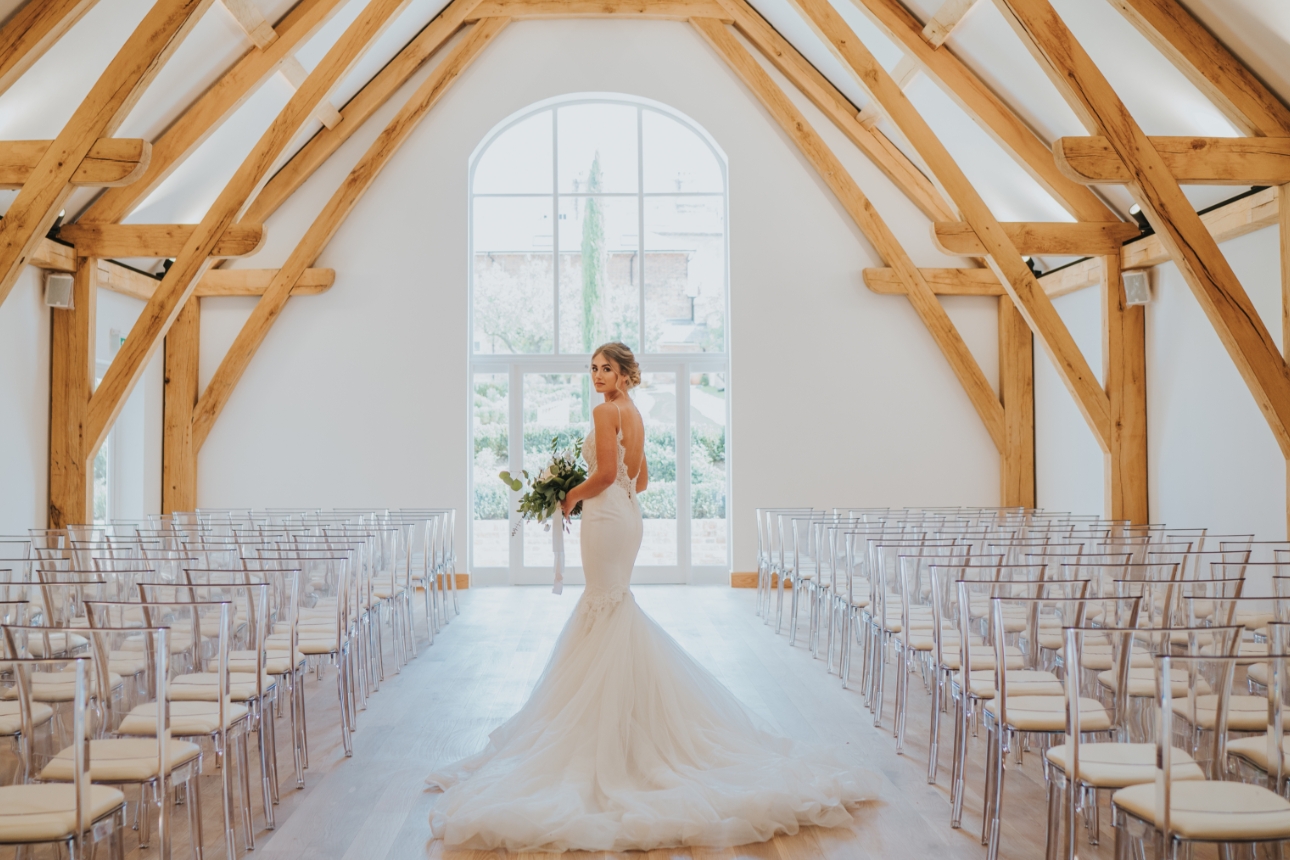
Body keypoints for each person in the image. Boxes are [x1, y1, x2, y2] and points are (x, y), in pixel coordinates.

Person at [427, 342, 877, 851]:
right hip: (627, 511)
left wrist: (569, 496)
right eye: (593, 368)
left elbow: (600, 476)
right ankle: (625, 719)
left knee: (604, 601)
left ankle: (606, 726)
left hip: (604, 513)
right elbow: (642, 476)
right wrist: (605, 491)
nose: (597, 375)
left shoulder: (604, 411)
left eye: (607, 368)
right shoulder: (635, 413)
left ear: (624, 373)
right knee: (612, 602)